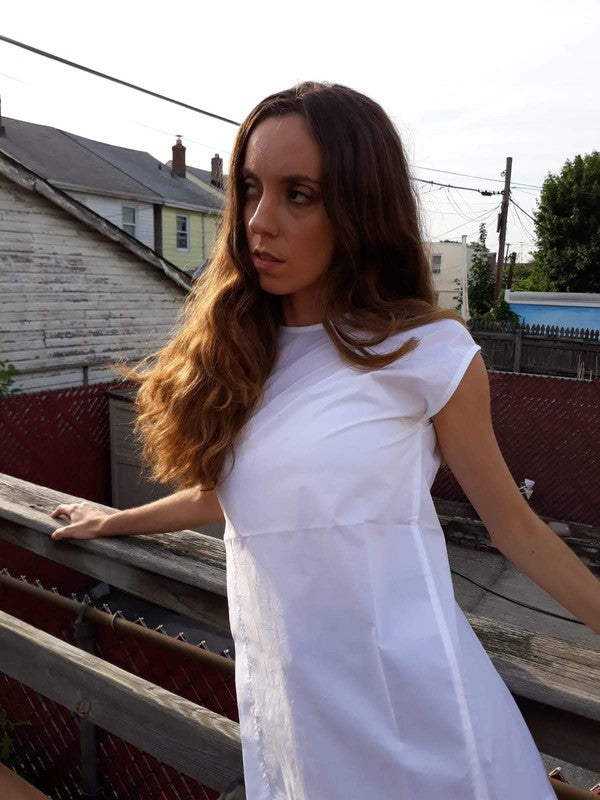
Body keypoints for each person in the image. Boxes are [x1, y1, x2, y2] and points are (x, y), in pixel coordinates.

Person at [51, 82, 600, 800]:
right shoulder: (247, 349)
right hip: (296, 721)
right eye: (249, 189)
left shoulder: (427, 351)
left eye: (297, 195)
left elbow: (514, 527)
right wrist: (115, 520)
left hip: (420, 720)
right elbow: (235, 495)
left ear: (358, 207)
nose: (258, 221)